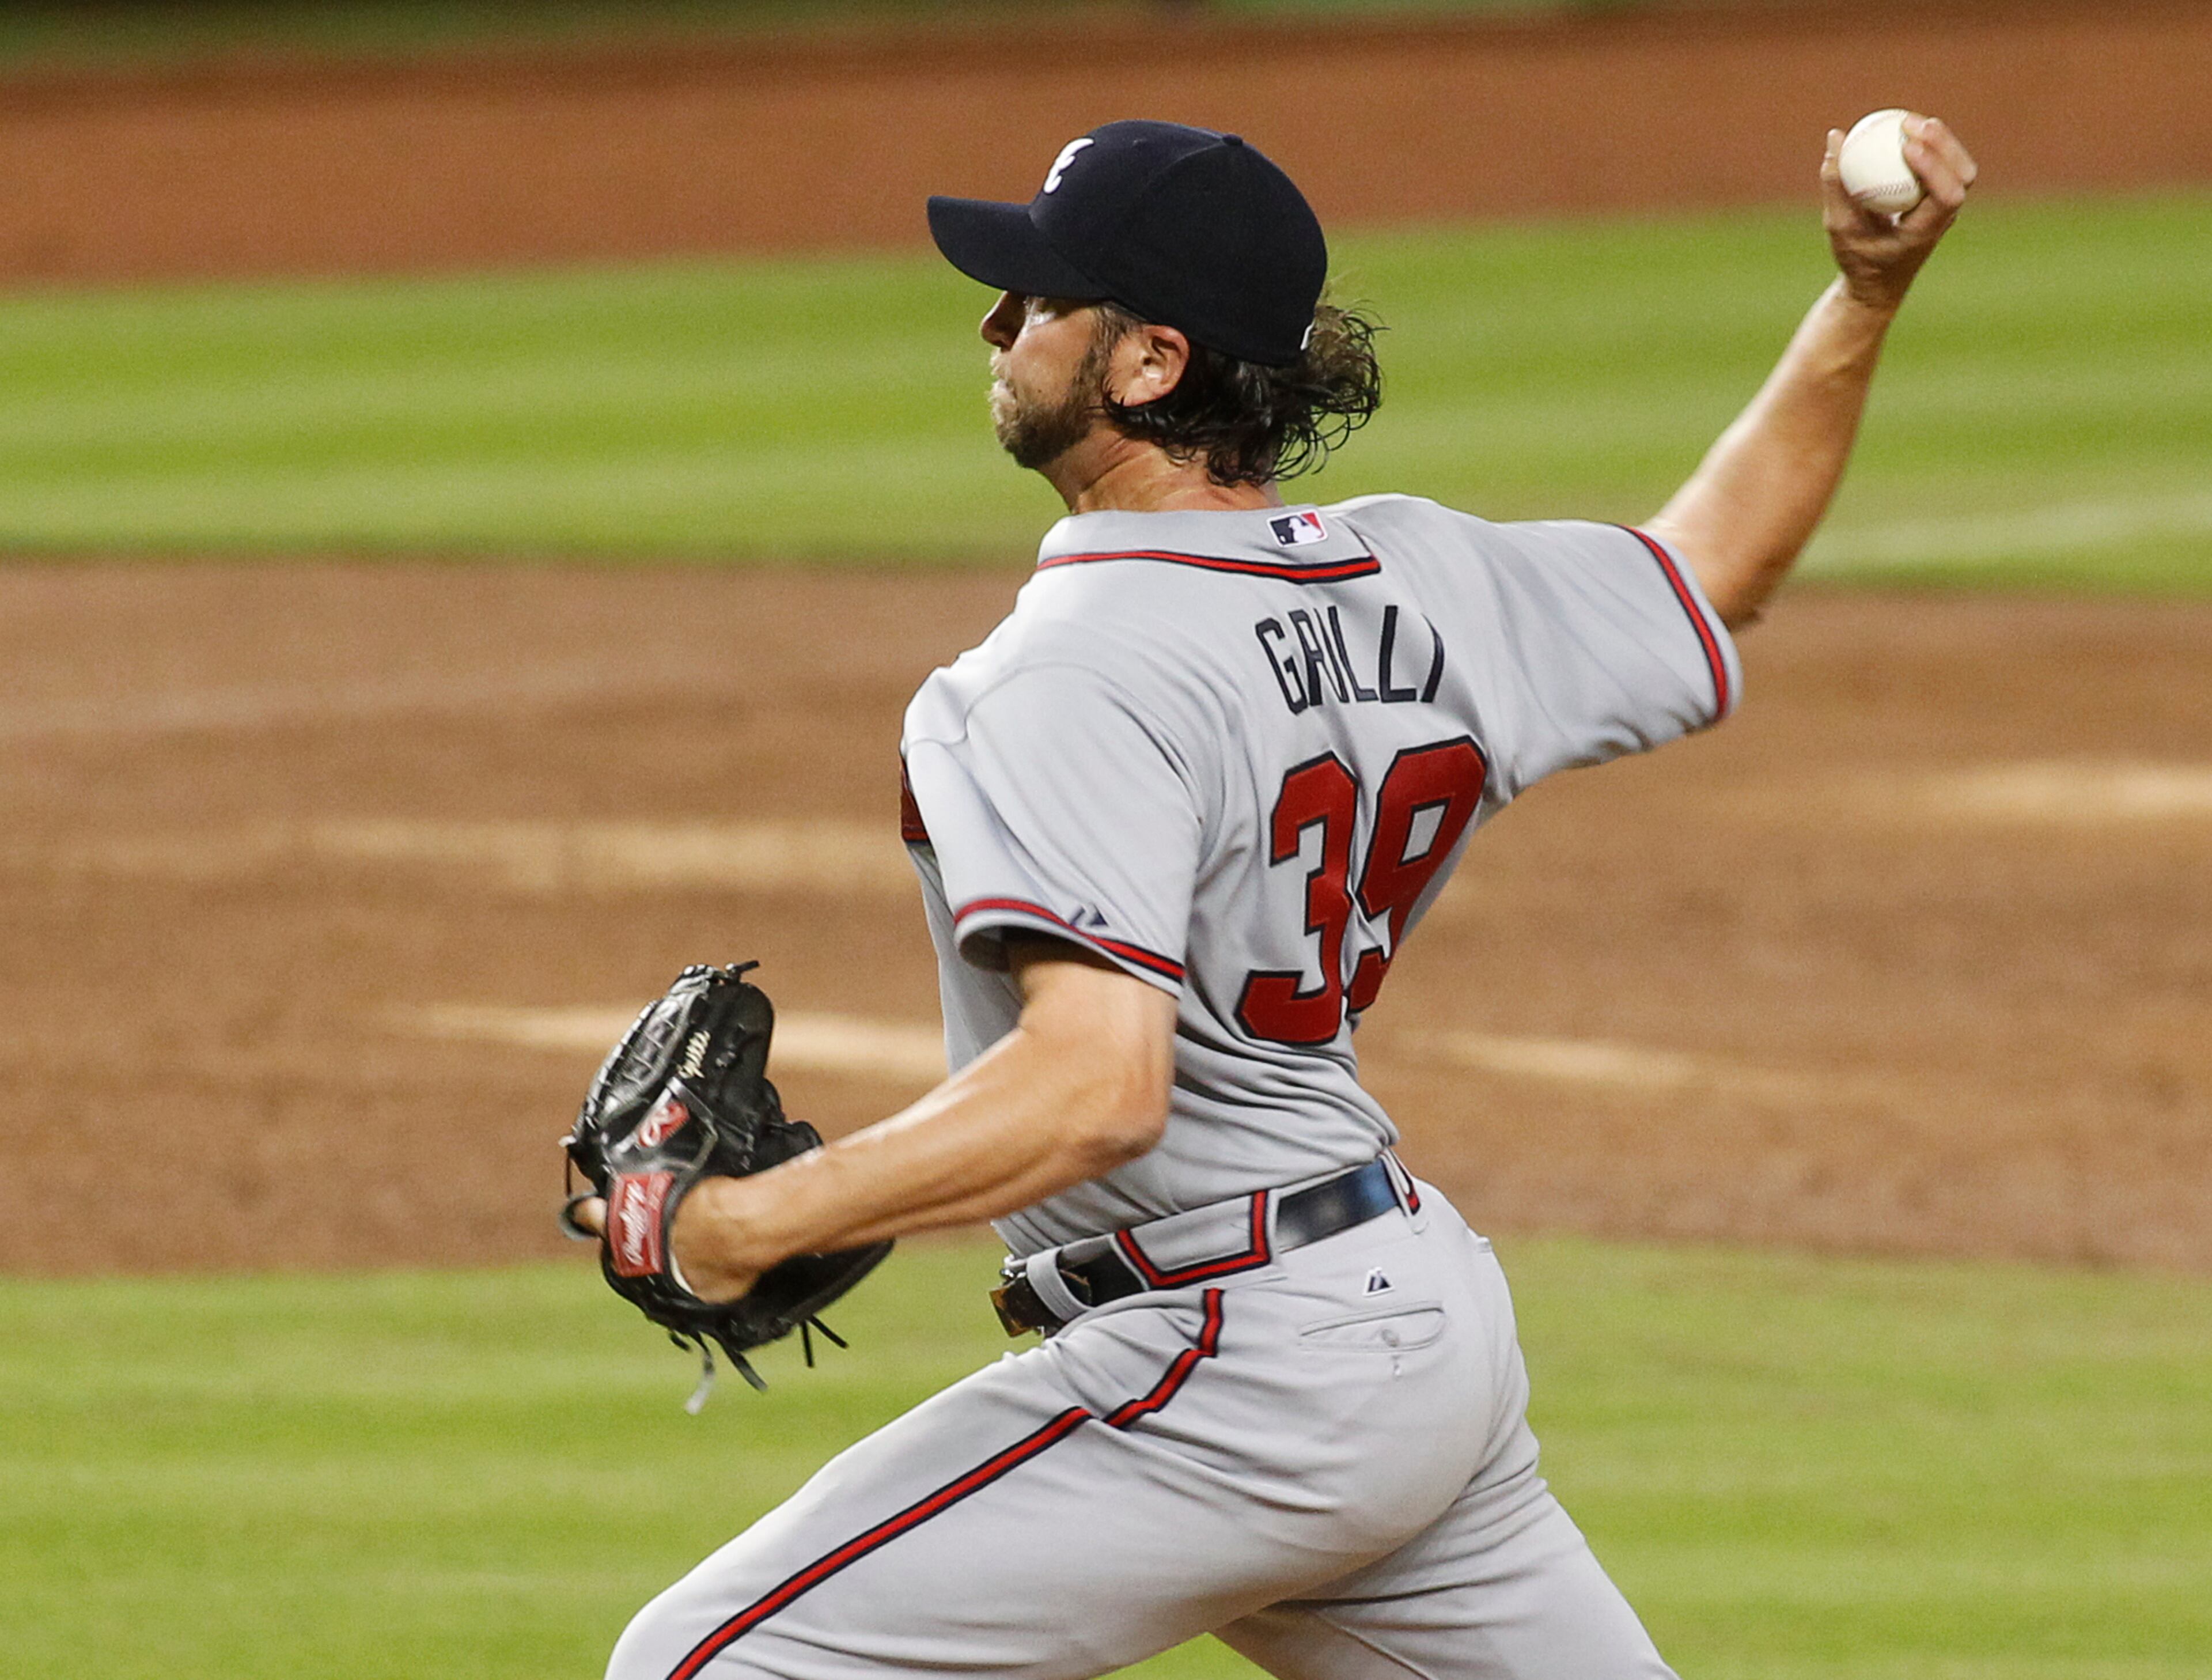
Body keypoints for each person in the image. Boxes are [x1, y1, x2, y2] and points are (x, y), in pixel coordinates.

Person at [578, 115, 1976, 1680]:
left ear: (1151, 361)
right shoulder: (1413, 579)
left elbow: (1098, 1087)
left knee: (702, 1664)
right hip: (1409, 1321)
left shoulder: (1063, 675)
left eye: (1039, 297)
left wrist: (746, 1221)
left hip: (1244, 1367)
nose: (993, 320)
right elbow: (1712, 565)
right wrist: (1861, 298)